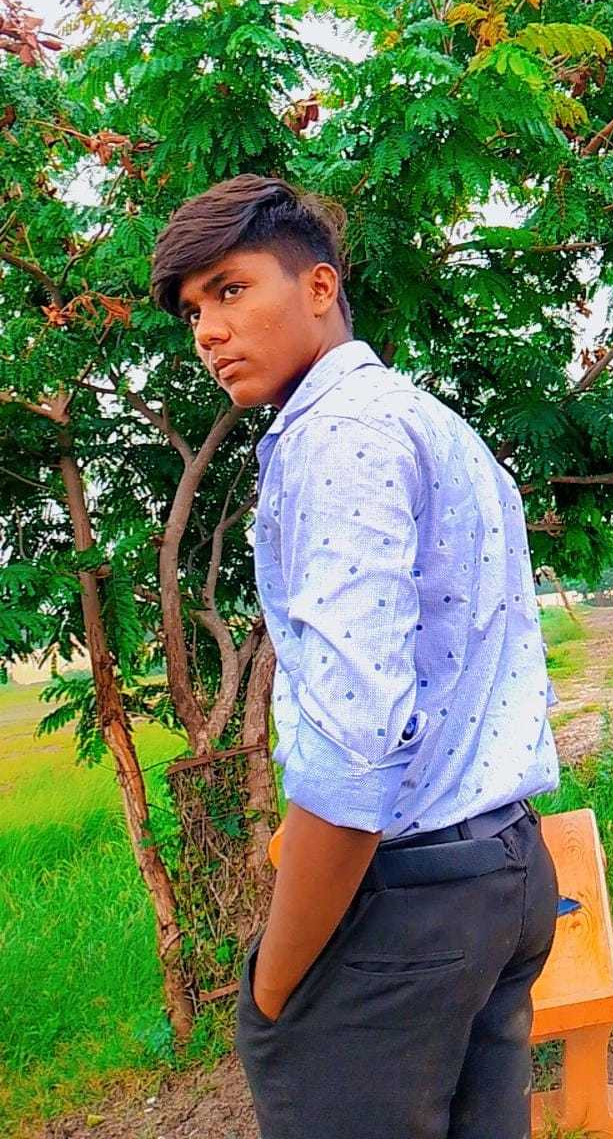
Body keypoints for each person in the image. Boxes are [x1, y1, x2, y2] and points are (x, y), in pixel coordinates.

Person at [151, 173, 561, 1139]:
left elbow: (356, 750)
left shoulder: (335, 437)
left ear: (321, 286)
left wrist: (273, 988)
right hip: (505, 870)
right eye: (194, 310)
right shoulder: (429, 421)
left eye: (231, 289)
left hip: (407, 908)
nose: (208, 331)